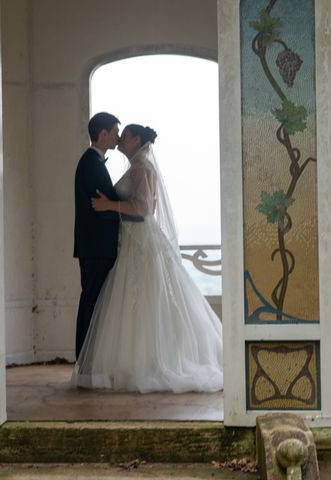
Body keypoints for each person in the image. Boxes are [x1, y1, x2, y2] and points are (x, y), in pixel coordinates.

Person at [72, 124, 223, 393]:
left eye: (125, 135)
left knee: (145, 299)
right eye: (118, 133)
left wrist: (110, 205)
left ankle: (150, 363)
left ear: (137, 141)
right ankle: (131, 362)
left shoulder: (142, 167)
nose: (120, 138)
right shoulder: (136, 166)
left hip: (140, 239)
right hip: (131, 240)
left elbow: (144, 208)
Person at [73, 112, 122, 359]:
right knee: (92, 301)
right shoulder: (91, 164)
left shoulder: (92, 161)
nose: (118, 137)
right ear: (103, 134)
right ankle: (85, 358)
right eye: (115, 132)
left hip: (95, 246)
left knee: (93, 300)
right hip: (96, 247)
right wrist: (128, 212)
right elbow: (100, 208)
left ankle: (88, 358)